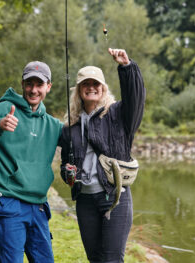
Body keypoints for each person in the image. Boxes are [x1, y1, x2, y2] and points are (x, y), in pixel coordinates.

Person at [58, 48, 146, 263]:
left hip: (114, 196)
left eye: (96, 84)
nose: (91, 88)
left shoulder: (118, 115)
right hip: (85, 200)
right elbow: (65, 163)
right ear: (78, 90)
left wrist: (126, 68)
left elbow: (136, 97)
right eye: (86, 84)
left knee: (111, 259)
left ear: (104, 88)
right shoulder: (70, 126)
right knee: (95, 258)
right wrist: (67, 173)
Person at [0, 61, 62, 263]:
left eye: (39, 85)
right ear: (22, 84)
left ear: (49, 87)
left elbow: (83, 142)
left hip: (38, 206)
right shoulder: (6, 107)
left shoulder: (53, 125)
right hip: (8, 201)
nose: (34, 90)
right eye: (29, 84)